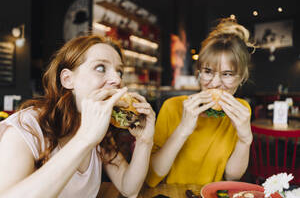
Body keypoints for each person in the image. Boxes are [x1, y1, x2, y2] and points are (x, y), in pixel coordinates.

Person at [0, 35, 155, 198]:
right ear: (68, 79)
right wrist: (85, 138)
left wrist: (145, 141)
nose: (117, 79)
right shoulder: (26, 128)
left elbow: (129, 188)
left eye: (119, 72)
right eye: (101, 68)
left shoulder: (101, 132)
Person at [146, 17, 254, 187]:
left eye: (227, 74)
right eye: (208, 71)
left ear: (241, 78)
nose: (216, 83)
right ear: (199, 72)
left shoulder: (242, 110)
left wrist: (245, 139)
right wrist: (183, 129)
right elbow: (152, 177)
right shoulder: (172, 107)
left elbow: (232, 177)